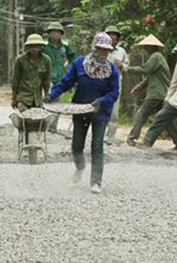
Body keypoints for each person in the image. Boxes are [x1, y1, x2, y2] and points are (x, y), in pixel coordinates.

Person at [44, 32, 120, 194]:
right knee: (77, 146)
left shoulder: (112, 70)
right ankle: (80, 166)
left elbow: (114, 93)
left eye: (106, 50)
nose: (102, 53)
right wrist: (52, 94)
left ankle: (96, 182)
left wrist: (102, 101)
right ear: (94, 47)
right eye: (99, 49)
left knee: (97, 146)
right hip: (80, 110)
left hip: (100, 112)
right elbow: (66, 82)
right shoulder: (80, 64)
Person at [126, 35, 177, 148]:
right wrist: (139, 86)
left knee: (141, 113)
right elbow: (151, 76)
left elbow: (144, 70)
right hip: (162, 93)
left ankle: (132, 137)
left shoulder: (155, 57)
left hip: (156, 93)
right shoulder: (159, 57)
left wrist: (126, 68)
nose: (144, 49)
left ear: (151, 47)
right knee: (166, 119)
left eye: (145, 47)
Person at [42, 21, 77, 133]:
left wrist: (69, 68)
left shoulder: (65, 46)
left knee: (58, 103)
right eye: (53, 32)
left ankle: (53, 127)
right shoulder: (44, 46)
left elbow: (73, 57)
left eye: (58, 32)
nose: (55, 34)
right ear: (49, 33)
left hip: (61, 78)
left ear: (61, 33)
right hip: (47, 78)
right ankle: (43, 125)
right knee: (45, 101)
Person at [11, 34, 52, 112]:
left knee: (39, 121)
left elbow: (46, 81)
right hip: (23, 98)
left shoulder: (46, 60)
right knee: (25, 120)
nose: (34, 49)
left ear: (41, 46)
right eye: (32, 46)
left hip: (38, 99)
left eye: (37, 46)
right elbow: (15, 81)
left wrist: (46, 95)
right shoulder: (20, 60)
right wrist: (14, 99)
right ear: (28, 47)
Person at [104, 25, 130, 145]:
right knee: (99, 110)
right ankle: (98, 135)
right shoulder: (100, 49)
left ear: (117, 38)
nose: (112, 37)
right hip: (101, 83)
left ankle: (110, 137)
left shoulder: (121, 51)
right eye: (109, 34)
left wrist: (121, 66)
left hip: (115, 84)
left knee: (113, 112)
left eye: (114, 35)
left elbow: (127, 68)